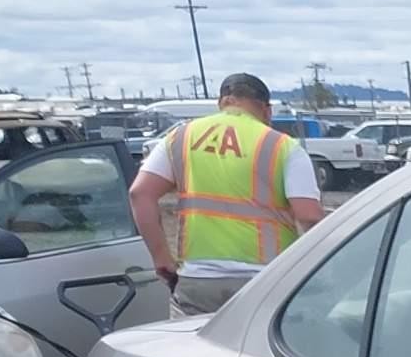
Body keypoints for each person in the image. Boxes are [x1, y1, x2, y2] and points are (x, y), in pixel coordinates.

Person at [130, 72, 325, 318]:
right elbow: (308, 215)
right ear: (267, 110)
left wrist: (161, 257)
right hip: (267, 279)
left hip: (199, 279)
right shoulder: (281, 145)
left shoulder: (180, 137)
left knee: (191, 353)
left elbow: (140, 194)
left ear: (222, 103)